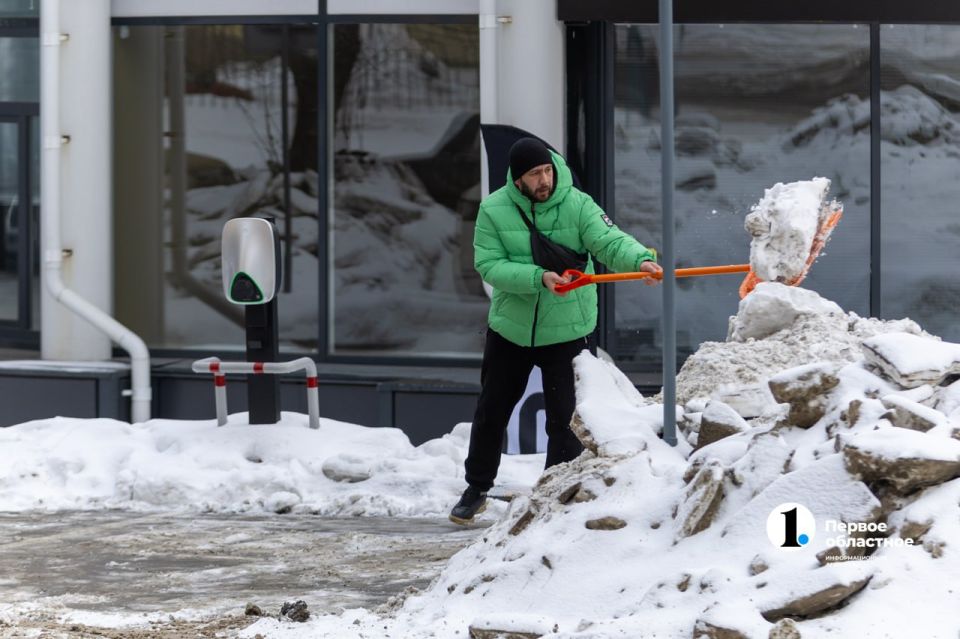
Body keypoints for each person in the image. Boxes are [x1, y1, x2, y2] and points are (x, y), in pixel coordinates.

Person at [449, 138, 662, 524]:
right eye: (535, 174)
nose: (544, 180)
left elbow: (609, 240)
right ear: (518, 179)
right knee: (491, 412)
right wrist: (539, 277)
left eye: (547, 170)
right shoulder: (494, 209)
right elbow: (489, 265)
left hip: (568, 329)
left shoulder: (577, 203)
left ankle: (553, 495)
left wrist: (641, 260)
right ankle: (476, 487)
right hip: (511, 330)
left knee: (565, 420)